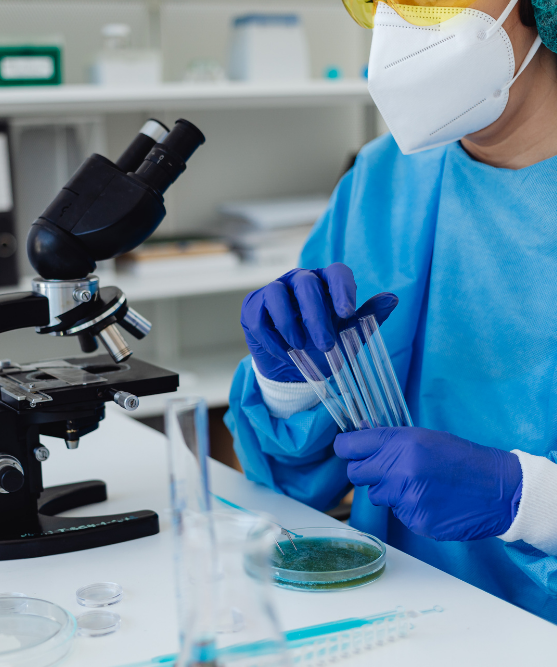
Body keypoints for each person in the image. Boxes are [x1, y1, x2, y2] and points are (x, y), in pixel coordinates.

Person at [226, 0, 557, 622]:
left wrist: (528, 501)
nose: (398, 24)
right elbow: (300, 486)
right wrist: (290, 385)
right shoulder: (384, 179)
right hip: (396, 612)